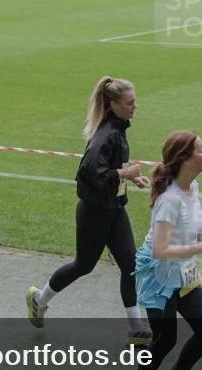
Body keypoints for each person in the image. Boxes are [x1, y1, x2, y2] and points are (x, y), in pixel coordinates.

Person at [27, 76, 152, 345]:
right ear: (113, 104)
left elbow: (107, 169)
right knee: (83, 265)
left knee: (130, 266)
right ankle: (39, 298)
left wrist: (129, 177)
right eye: (130, 102)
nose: (135, 107)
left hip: (114, 210)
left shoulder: (118, 130)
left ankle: (137, 328)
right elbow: (88, 173)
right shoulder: (106, 135)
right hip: (95, 213)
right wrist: (124, 172)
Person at [132, 131, 202, 370]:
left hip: (182, 272)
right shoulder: (169, 199)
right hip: (158, 276)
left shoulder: (192, 188)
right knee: (164, 339)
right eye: (200, 150)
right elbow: (160, 249)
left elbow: (185, 230)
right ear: (184, 158)